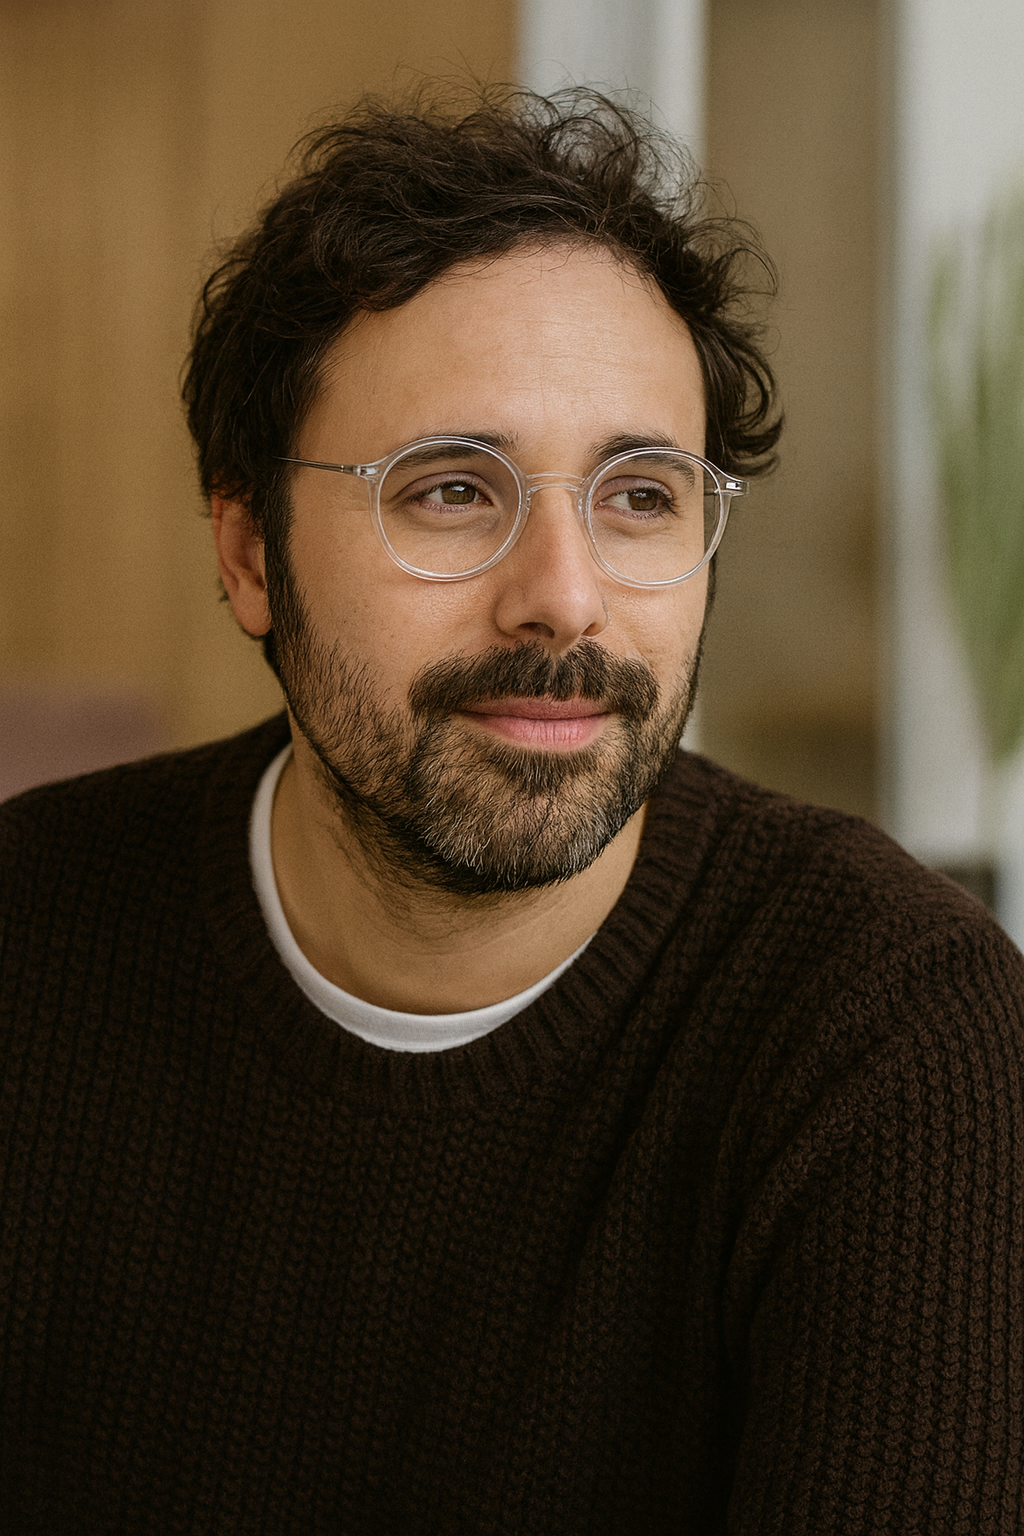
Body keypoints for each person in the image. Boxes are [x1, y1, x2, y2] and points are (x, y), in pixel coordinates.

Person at [1, 88, 1022, 1536]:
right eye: (450, 491)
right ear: (247, 551)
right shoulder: (29, 946)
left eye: (641, 496)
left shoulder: (889, 1030)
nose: (565, 591)